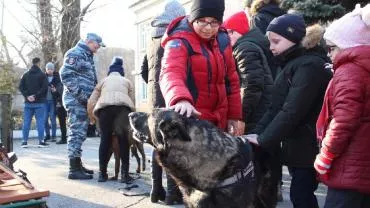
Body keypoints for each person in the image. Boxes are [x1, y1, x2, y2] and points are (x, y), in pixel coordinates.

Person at [244, 14, 332, 208]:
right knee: (300, 194)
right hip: (297, 144)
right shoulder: (291, 63)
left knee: (301, 195)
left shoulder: (309, 65)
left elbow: (292, 110)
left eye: (276, 41)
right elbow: (275, 107)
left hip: (309, 146)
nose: (271, 47)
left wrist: (263, 139)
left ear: (293, 38)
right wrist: (257, 133)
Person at [315, 4, 370, 208]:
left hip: (350, 167)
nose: (328, 54)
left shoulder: (349, 71)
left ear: (349, 45)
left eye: (332, 47)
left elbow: (343, 120)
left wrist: (326, 154)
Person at [160, 0, 242, 135]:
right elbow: (171, 72)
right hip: (191, 122)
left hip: (219, 123)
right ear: (193, 18)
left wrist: (234, 115)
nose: (208, 27)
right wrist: (180, 99)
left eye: (214, 22)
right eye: (202, 21)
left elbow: (231, 81)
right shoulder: (179, 40)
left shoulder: (223, 40)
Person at [223, 11, 280, 207]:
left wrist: (240, 116)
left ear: (234, 32)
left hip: (257, 115)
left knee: (256, 165)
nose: (224, 39)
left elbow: (252, 85)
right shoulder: (250, 45)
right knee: (264, 164)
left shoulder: (244, 48)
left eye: (226, 33)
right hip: (262, 112)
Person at [140, 0, 186, 205]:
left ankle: (155, 189)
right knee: (171, 146)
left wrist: (153, 88)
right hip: (170, 97)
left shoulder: (151, 38)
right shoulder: (176, 36)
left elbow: (143, 70)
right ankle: (172, 194)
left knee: (157, 144)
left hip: (154, 101)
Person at [60, 33, 105, 180]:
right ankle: (73, 169)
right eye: (96, 46)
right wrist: (81, 96)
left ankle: (78, 164)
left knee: (80, 133)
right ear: (88, 41)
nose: (97, 49)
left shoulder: (86, 55)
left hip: (83, 101)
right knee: (76, 133)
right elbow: (65, 74)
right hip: (76, 101)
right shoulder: (76, 53)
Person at [87, 57, 135, 183]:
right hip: (122, 110)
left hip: (105, 110)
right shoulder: (127, 81)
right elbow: (132, 101)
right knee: (123, 141)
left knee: (105, 140)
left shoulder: (103, 81)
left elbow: (91, 101)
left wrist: (92, 118)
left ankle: (102, 174)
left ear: (110, 72)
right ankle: (125, 175)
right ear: (121, 71)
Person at [19, 57, 49, 148]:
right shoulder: (42, 75)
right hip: (39, 102)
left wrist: (27, 96)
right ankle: (41, 141)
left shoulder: (25, 75)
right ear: (39, 63)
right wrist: (35, 96)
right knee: (40, 122)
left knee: (26, 122)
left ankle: (24, 142)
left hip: (28, 103)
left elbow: (21, 87)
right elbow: (44, 88)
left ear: (32, 63)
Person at [44, 62, 58, 142]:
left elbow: (60, 88)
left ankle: (54, 135)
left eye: (51, 69)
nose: (50, 70)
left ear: (53, 69)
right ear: (46, 69)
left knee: (53, 119)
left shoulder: (57, 77)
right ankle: (47, 135)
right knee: (45, 119)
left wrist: (55, 90)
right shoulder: (43, 77)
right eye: (48, 69)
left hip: (53, 101)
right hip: (45, 101)